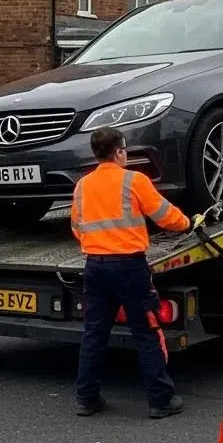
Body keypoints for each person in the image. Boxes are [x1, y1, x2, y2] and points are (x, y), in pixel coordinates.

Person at [71, 126, 199, 419]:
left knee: (94, 334)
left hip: (95, 266)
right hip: (129, 267)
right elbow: (164, 215)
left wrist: (99, 242)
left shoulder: (83, 186)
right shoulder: (134, 180)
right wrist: (187, 223)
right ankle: (160, 400)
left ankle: (87, 399)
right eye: (125, 151)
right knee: (147, 331)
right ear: (118, 152)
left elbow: (77, 226)